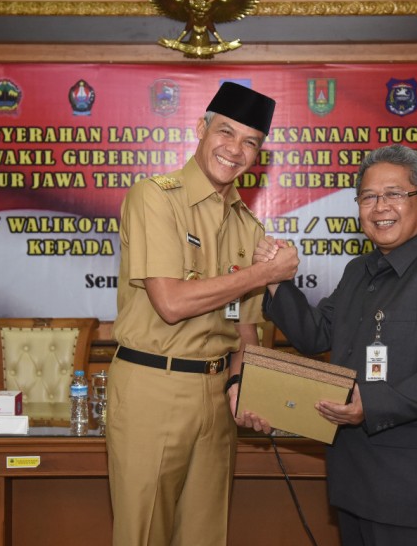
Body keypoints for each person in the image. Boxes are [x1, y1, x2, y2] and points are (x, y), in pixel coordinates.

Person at [257, 144, 417, 546]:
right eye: (368, 196)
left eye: (394, 194)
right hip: (356, 482)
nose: (380, 206)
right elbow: (316, 334)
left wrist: (373, 402)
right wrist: (276, 280)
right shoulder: (358, 270)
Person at [107, 81, 299, 546]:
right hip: (155, 388)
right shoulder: (156, 197)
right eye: (226, 133)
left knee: (205, 535)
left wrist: (242, 385)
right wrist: (261, 274)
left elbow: (246, 335)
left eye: (250, 142)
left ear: (259, 154)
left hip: (218, 397)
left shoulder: (248, 227)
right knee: (143, 534)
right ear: (200, 129)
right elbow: (171, 303)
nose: (235, 150)